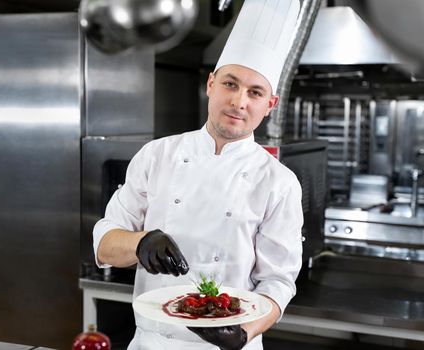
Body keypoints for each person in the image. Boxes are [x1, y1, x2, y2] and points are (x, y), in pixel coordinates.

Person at [93, 0, 303, 349]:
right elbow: (104, 242)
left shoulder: (278, 182)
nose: (239, 102)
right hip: (151, 344)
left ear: (270, 105)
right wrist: (140, 242)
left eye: (255, 93)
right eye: (230, 84)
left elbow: (278, 282)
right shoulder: (157, 155)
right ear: (210, 84)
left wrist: (244, 332)